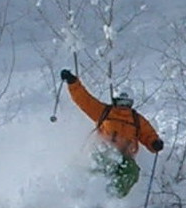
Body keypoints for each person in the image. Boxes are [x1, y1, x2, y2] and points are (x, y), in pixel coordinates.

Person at [60, 69, 164, 199]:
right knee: (105, 162)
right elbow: (85, 100)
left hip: (125, 156)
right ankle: (85, 192)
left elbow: (148, 134)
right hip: (104, 150)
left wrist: (154, 143)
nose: (123, 107)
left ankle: (110, 197)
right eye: (120, 103)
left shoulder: (136, 120)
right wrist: (73, 82)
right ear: (115, 101)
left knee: (131, 171)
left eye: (126, 104)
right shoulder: (104, 112)